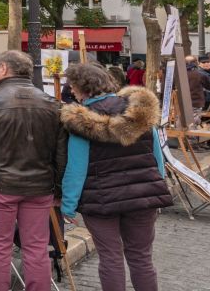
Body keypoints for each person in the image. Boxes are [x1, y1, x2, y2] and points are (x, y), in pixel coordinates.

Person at [0, 50, 67, 291]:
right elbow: (61, 155)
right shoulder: (52, 105)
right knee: (36, 248)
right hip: (39, 187)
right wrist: (58, 189)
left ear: (4, 69)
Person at [60, 63, 172, 291]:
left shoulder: (83, 121)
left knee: (110, 257)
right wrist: (157, 186)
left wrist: (68, 206)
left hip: (101, 200)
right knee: (141, 256)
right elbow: (157, 156)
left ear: (84, 87)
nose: (71, 91)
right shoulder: (138, 112)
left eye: (72, 86)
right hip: (143, 197)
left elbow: (77, 168)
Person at [184, 55, 210, 124]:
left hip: (182, 103)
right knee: (194, 123)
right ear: (196, 63)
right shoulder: (199, 74)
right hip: (196, 102)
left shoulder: (179, 74)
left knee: (184, 123)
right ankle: (192, 134)